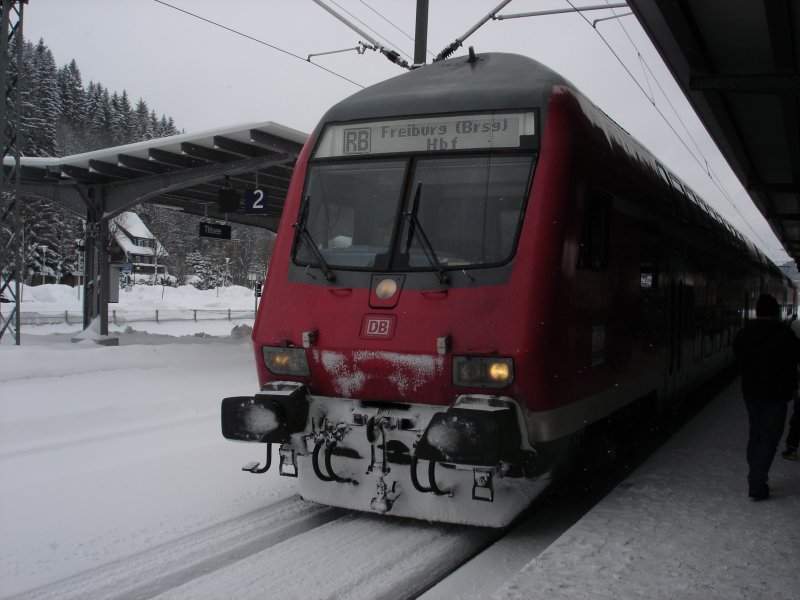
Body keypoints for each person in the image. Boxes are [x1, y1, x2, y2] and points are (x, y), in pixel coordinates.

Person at [732, 293, 800, 500]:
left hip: (752, 393)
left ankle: (756, 475)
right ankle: (757, 483)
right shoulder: (784, 334)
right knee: (769, 439)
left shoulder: (745, 333)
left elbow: (739, 356)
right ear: (776, 312)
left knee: (756, 435)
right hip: (776, 394)